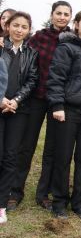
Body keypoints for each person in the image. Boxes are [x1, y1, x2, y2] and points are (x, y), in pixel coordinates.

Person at [8, 1, 72, 212]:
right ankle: (14, 191)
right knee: (26, 146)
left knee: (52, 149)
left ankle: (44, 193)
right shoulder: (39, 37)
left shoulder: (72, 39)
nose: (62, 17)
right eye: (58, 13)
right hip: (35, 98)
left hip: (58, 101)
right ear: (52, 14)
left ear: (70, 17)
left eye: (66, 14)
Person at [47, 10, 81, 220]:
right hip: (68, 111)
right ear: (76, 25)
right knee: (63, 157)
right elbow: (56, 79)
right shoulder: (66, 49)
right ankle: (59, 202)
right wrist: (58, 105)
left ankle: (78, 202)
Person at [0, 12, 38, 224]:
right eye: (16, 25)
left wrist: (16, 100)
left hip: (18, 111)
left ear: (28, 29)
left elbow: (32, 80)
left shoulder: (31, 53)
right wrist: (1, 98)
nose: (19, 30)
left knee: (11, 156)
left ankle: (2, 204)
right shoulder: (0, 47)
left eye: (24, 26)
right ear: (7, 26)